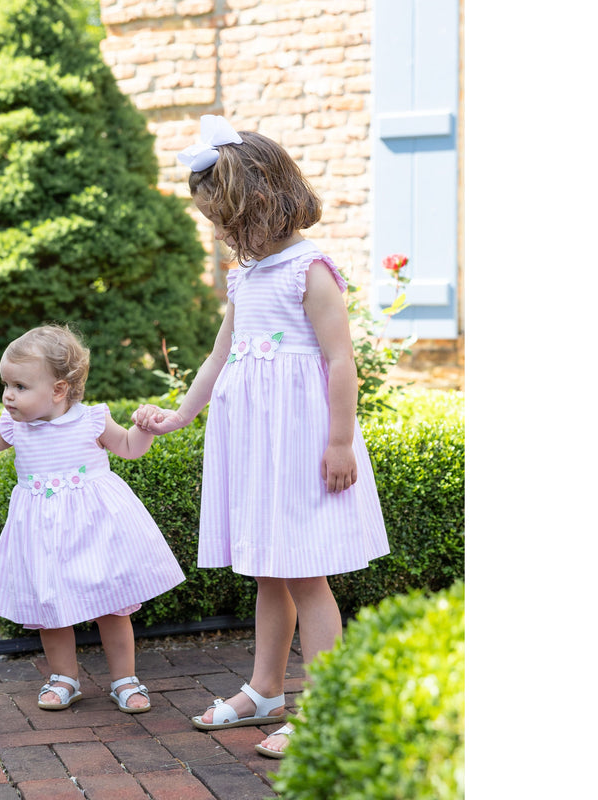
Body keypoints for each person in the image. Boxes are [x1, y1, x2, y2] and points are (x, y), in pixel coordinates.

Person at [134, 115, 390, 757]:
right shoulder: (244, 275)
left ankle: (323, 709)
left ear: (259, 204)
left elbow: (339, 362)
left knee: (307, 576)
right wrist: (180, 415)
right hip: (257, 447)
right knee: (268, 573)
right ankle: (265, 689)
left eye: (222, 219)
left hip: (303, 444)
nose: (217, 231)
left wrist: (339, 442)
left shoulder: (312, 269)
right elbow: (220, 358)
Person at [0, 324, 185, 714]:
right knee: (49, 609)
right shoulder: (14, 427)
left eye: (19, 386)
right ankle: (64, 677)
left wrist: (145, 427)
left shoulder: (93, 420)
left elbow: (132, 449)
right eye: (5, 384)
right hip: (42, 535)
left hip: (95, 530)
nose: (7, 395)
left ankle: (125, 679)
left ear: (59, 390)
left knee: (112, 607)